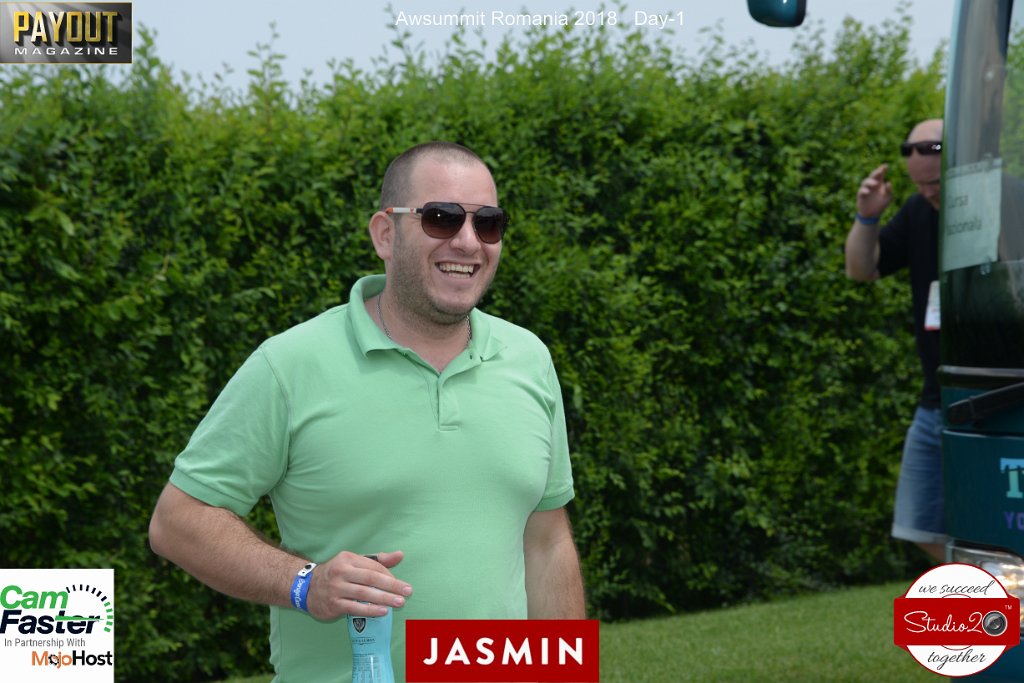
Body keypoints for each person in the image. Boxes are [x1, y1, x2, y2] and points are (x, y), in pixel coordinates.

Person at [148, 141, 586, 682]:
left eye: (488, 223)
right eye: (442, 218)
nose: (469, 241)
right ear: (385, 234)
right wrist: (304, 583)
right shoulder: (290, 365)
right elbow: (178, 520)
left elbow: (546, 542)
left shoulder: (529, 358)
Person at [845, 118, 948, 562]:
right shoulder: (917, 211)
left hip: (997, 393)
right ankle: (999, 590)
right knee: (917, 523)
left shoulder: (1004, 199)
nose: (928, 193)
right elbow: (861, 269)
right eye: (919, 185)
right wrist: (867, 215)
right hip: (936, 399)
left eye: (935, 184)